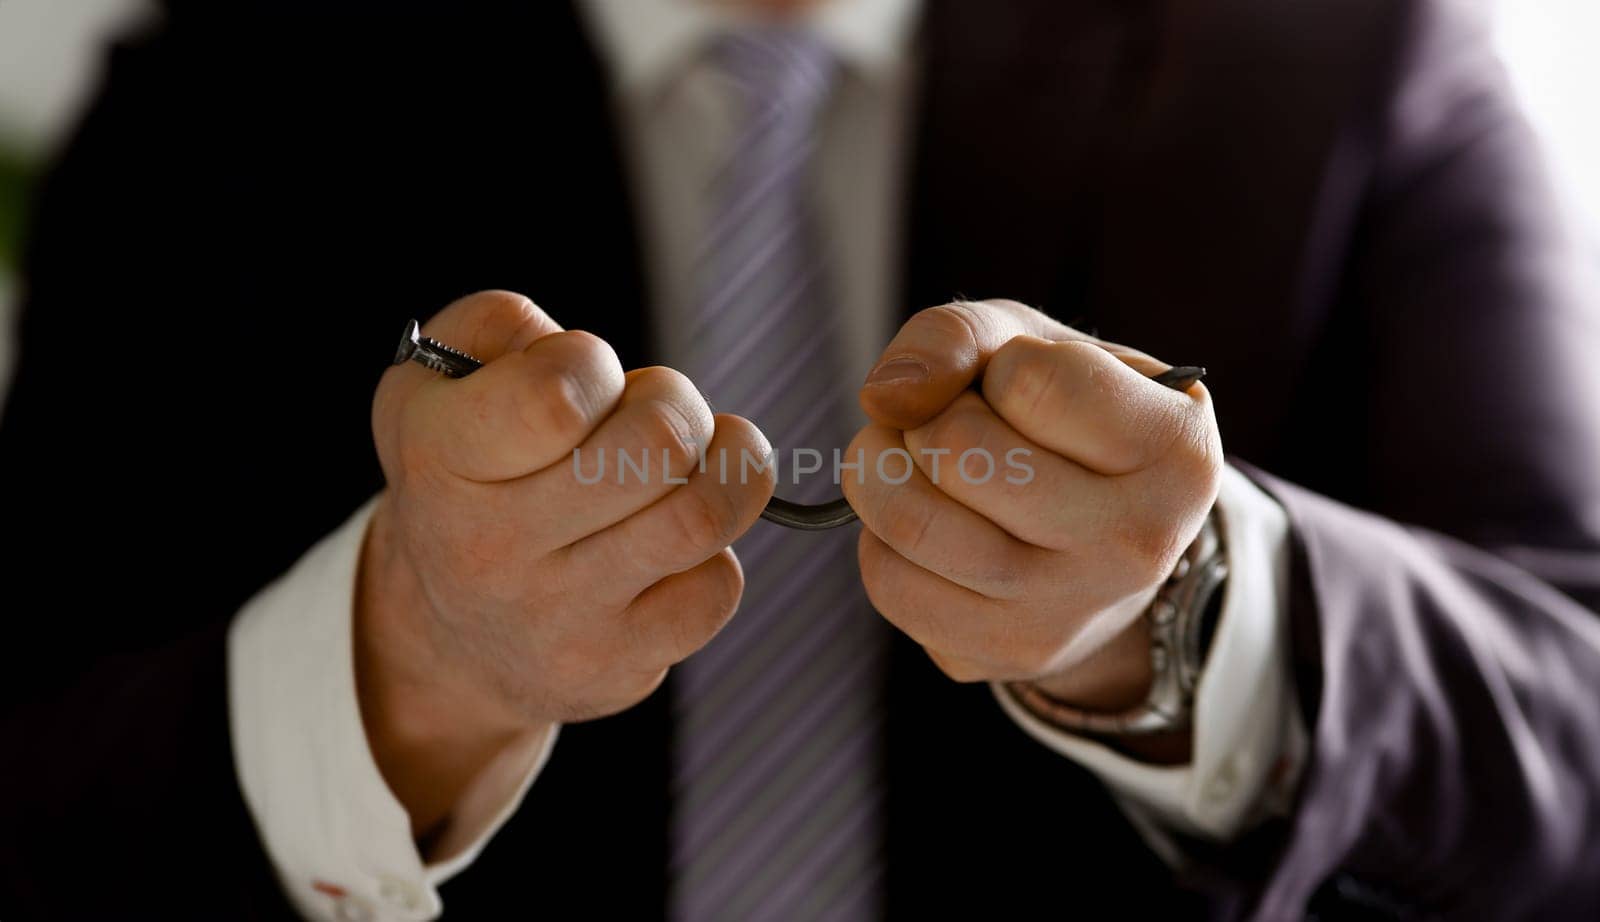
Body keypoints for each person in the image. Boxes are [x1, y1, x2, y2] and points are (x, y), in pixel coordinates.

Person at [3, 0, 1599, 919]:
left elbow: (1573, 723)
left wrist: (1196, 613)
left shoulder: (1356, 58)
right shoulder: (215, 101)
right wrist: (395, 668)